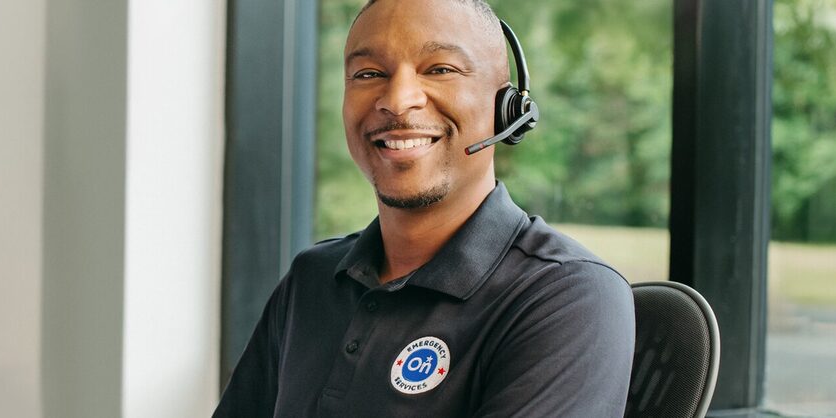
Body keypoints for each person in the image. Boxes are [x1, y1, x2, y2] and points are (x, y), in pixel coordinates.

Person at [213, 0, 635, 416]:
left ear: (507, 108)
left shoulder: (568, 298)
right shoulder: (312, 279)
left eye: (440, 69)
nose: (397, 101)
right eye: (369, 73)